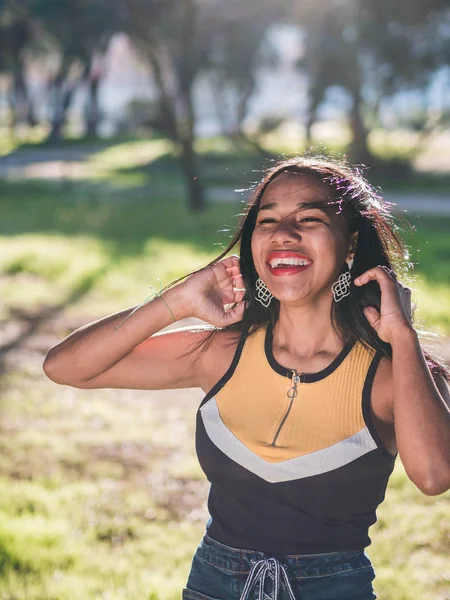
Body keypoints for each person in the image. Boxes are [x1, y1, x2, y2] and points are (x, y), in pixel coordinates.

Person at [43, 156, 450, 600]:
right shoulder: (220, 353)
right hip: (211, 587)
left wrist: (402, 338)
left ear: (350, 245)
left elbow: (433, 476)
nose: (283, 234)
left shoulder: (395, 372)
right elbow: (65, 367)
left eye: (308, 218)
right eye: (267, 219)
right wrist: (177, 301)